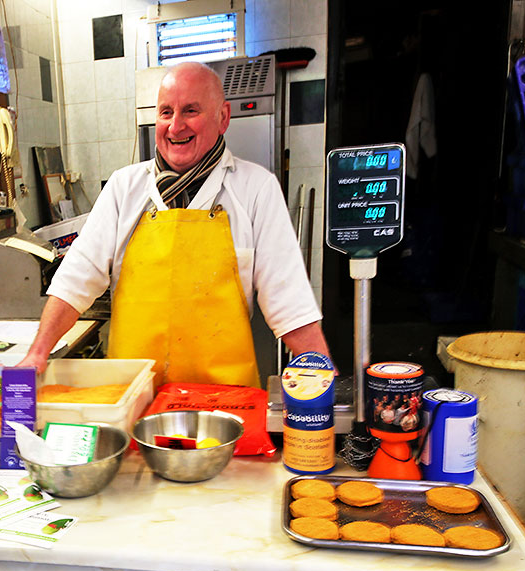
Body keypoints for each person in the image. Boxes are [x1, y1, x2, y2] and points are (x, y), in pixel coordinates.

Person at [18, 61, 331, 387]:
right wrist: (39, 352)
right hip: (134, 397)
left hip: (223, 403)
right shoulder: (124, 187)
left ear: (222, 117)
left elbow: (288, 300)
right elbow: (76, 278)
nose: (175, 126)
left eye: (191, 111)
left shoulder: (256, 188)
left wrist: (323, 377)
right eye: (166, 112)